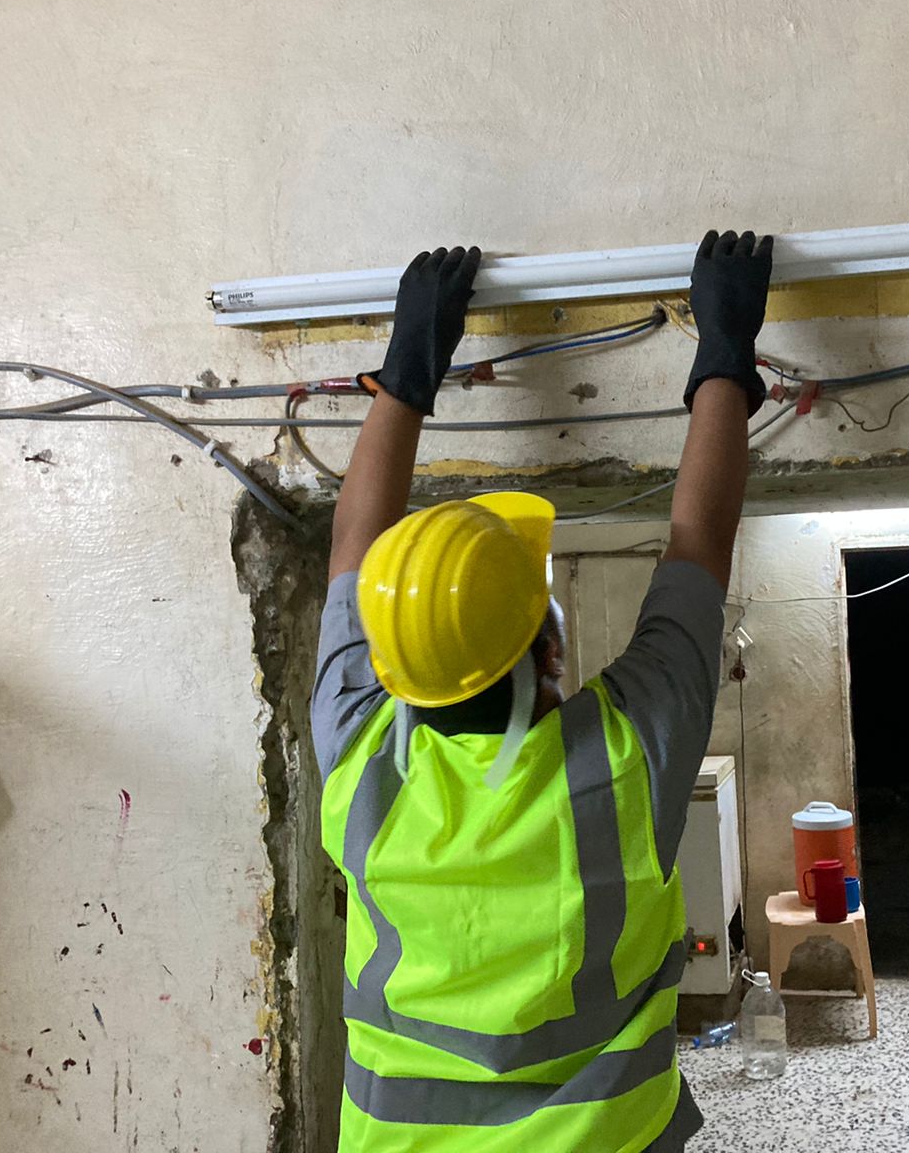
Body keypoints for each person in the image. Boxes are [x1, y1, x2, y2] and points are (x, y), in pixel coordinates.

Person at [311, 229, 773, 1152]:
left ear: (389, 662)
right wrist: (725, 346)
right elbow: (698, 539)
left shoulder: (359, 755)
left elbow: (350, 551)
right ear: (551, 650)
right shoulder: (624, 760)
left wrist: (405, 370)